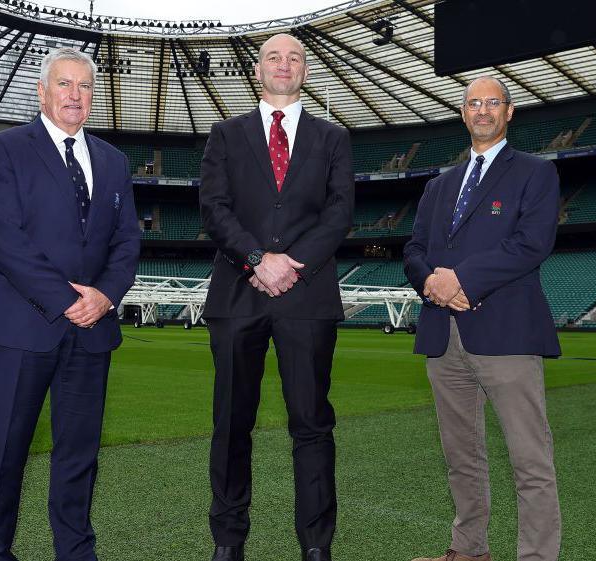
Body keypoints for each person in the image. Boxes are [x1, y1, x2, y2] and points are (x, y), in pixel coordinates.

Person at [0, 47, 140, 561]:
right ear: (42, 91)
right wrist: (68, 300)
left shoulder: (113, 160)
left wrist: (106, 296)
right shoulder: (6, 148)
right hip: (20, 325)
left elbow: (127, 241)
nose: (75, 95)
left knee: (79, 456)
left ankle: (76, 551)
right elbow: (1, 236)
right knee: (4, 453)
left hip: (92, 331)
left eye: (84, 87)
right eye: (64, 84)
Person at [198, 32, 354, 561]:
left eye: (294, 58)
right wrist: (256, 259)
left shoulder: (333, 139)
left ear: (305, 70)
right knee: (231, 421)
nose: (283, 64)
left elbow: (338, 213)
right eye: (273, 57)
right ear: (257, 70)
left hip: (307, 296)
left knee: (311, 422)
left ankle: (315, 544)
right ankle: (228, 540)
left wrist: (292, 264)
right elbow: (214, 208)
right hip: (238, 294)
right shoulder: (224, 135)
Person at [403, 76, 562, 561]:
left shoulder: (535, 173)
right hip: (442, 334)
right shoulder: (439, 184)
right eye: (474, 103)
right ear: (463, 111)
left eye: (493, 102)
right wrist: (431, 283)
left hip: (507, 333)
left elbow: (531, 244)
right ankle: (468, 551)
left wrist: (460, 280)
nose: (483, 110)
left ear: (509, 112)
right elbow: (413, 249)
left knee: (530, 461)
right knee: (461, 459)